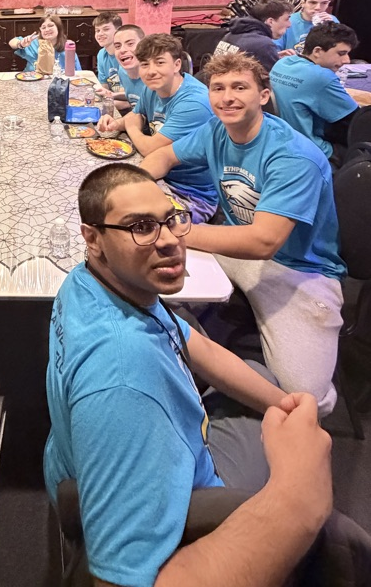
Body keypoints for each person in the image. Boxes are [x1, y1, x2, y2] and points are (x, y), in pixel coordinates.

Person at [45, 163, 333, 587]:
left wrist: (283, 406)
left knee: (260, 377)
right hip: (188, 491)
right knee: (336, 538)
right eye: (140, 227)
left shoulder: (93, 281)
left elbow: (193, 343)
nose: (169, 242)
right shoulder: (123, 381)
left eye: (171, 219)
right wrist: (298, 502)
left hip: (83, 457)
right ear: (94, 238)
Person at [140, 52, 345, 416]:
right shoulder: (218, 129)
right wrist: (141, 191)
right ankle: (201, 361)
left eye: (240, 87)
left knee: (306, 401)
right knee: (139, 276)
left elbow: (263, 242)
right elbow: (165, 157)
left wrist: (178, 228)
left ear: (263, 96)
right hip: (234, 250)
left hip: (297, 271)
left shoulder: (293, 156)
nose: (227, 97)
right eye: (218, 88)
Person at [98, 33, 218, 222]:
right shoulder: (152, 87)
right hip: (159, 179)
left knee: (126, 222)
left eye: (160, 62)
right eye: (145, 64)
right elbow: (136, 115)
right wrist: (115, 123)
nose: (151, 71)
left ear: (177, 65)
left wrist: (131, 127)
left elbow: (149, 148)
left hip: (192, 194)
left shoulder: (194, 102)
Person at [271, 22, 359, 162]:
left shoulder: (283, 63)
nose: (346, 60)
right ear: (317, 51)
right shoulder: (321, 77)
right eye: (341, 53)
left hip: (282, 139)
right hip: (312, 149)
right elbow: (357, 120)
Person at [213, 0, 292, 71]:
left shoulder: (230, 35)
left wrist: (272, 55)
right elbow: (274, 81)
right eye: (286, 19)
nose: (289, 24)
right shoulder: (263, 45)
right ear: (270, 21)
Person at [275, 0, 339, 54]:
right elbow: (275, 49)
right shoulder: (288, 20)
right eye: (313, 2)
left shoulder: (332, 20)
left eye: (324, 3)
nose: (318, 7)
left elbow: (339, 49)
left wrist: (332, 28)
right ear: (303, 3)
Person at [8, 15, 82, 73]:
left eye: (50, 26)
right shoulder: (33, 42)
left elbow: (78, 73)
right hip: (32, 82)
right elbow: (12, 42)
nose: (47, 30)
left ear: (58, 28)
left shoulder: (68, 47)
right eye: (43, 27)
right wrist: (20, 44)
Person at [92, 11, 122, 88]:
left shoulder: (125, 54)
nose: (100, 34)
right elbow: (104, 85)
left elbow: (130, 92)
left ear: (118, 31)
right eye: (97, 31)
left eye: (106, 29)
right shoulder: (101, 54)